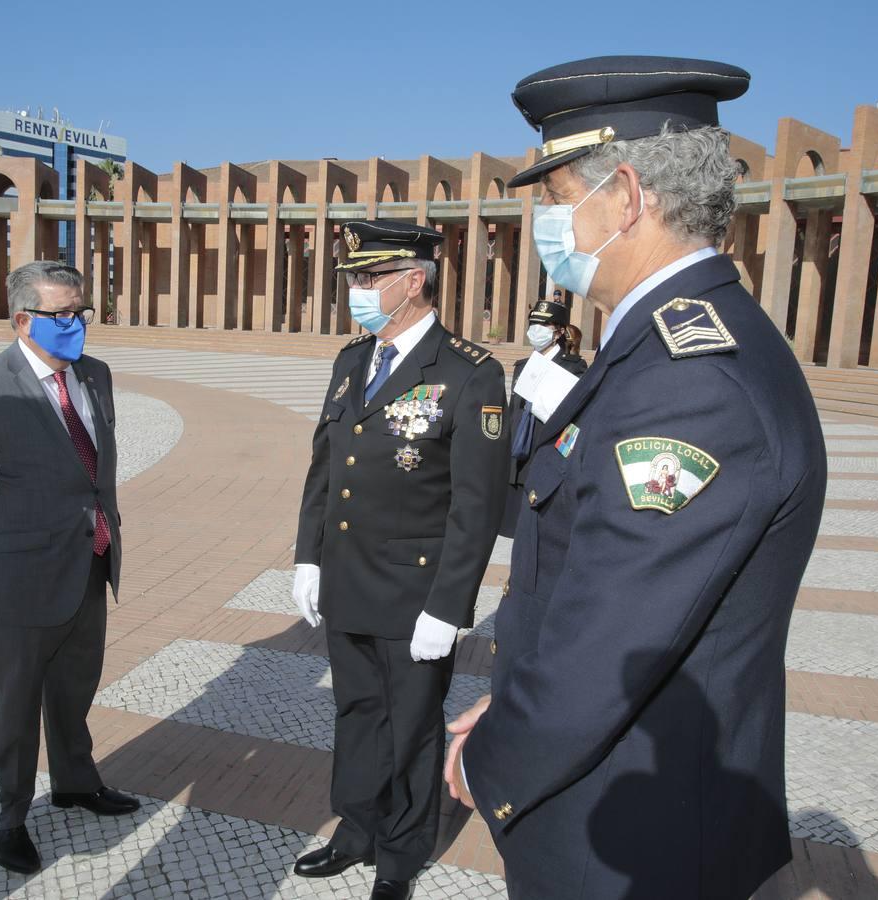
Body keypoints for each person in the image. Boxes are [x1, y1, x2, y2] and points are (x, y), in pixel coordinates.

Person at [444, 56, 827, 900]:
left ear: (623, 195)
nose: (550, 227)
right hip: (629, 784)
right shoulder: (665, 344)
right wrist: (505, 705)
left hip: (627, 834)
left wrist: (494, 754)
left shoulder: (685, 380)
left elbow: (611, 633)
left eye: (554, 201)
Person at [292, 221, 509, 900]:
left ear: (413, 281)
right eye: (351, 279)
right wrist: (308, 559)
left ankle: (399, 854)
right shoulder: (351, 360)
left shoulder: (468, 372)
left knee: (411, 728)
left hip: (415, 594)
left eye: (367, 279)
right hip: (348, 581)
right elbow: (325, 468)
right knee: (356, 712)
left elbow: (473, 507)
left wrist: (448, 606)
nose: (354, 291)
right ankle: (355, 830)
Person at [0, 260, 138, 875]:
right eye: (62, 315)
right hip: (21, 575)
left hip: (90, 561)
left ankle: (76, 780)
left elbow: (92, 469)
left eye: (81, 311)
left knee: (74, 687)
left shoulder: (94, 375)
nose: (75, 323)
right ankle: (7, 818)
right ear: (23, 319)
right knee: (13, 706)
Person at [499, 294, 587, 536]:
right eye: (533, 325)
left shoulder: (573, 367)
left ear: (558, 332)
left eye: (543, 326)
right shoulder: (522, 366)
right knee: (512, 532)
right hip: (517, 460)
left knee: (537, 533)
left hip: (545, 456)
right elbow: (513, 414)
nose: (535, 331)